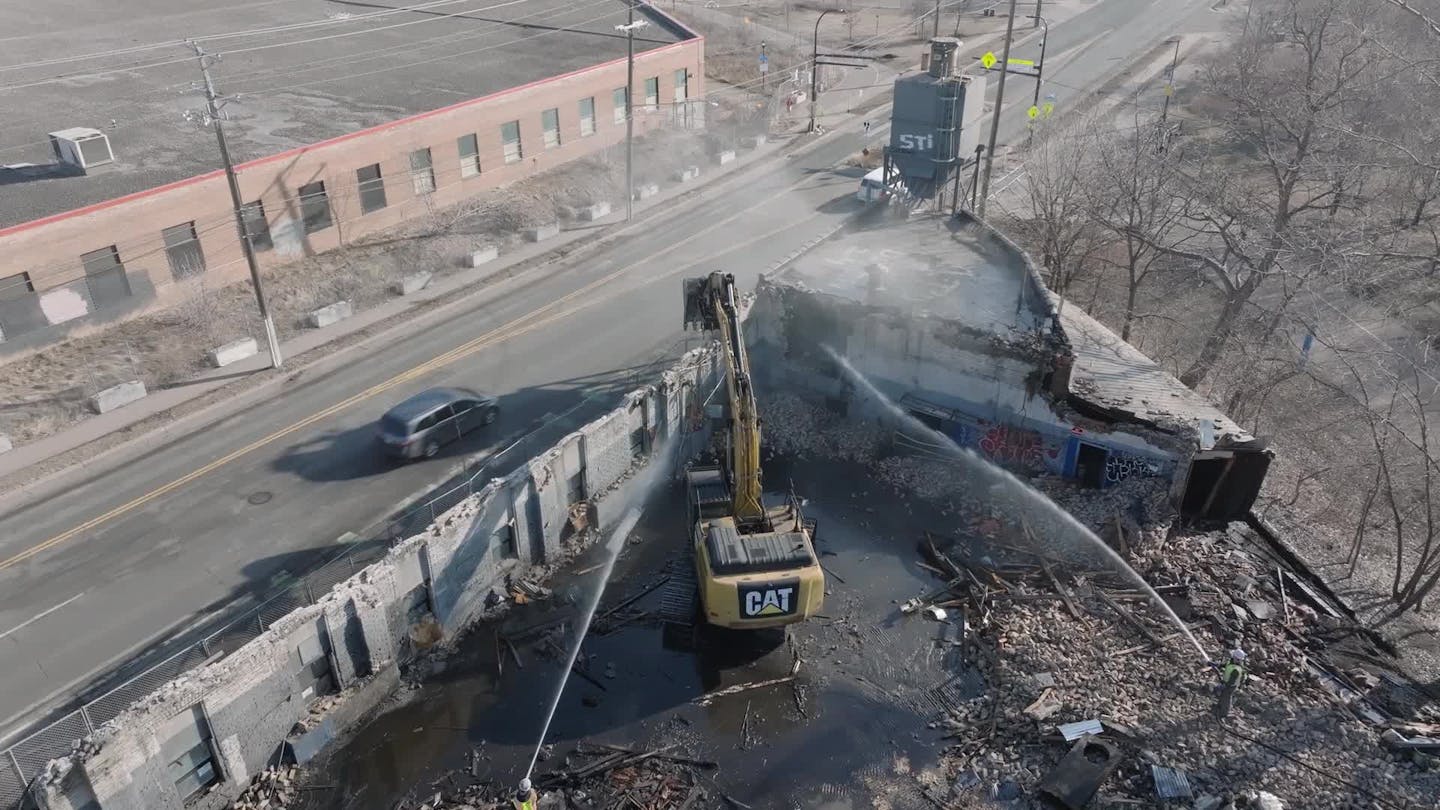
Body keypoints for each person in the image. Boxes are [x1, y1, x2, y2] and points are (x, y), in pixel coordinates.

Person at [1214, 647, 1247, 720]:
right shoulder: (1231, 662)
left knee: (1226, 698)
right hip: (1226, 682)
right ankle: (1219, 706)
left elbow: (1231, 681)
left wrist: (1224, 686)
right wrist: (1216, 664)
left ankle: (1224, 713)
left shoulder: (1236, 670)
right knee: (1223, 695)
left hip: (1231, 686)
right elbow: (1224, 665)